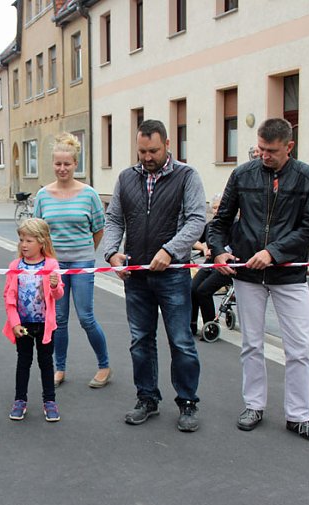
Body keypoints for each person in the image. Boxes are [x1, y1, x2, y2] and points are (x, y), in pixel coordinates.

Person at [208, 118, 309, 444]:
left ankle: (299, 417)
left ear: (289, 146)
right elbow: (219, 221)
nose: (264, 156)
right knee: (251, 344)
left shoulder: (308, 177)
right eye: (260, 148)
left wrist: (273, 252)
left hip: (289, 274)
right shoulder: (242, 174)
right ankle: (254, 406)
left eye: (271, 151)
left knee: (300, 348)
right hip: (247, 273)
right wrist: (218, 253)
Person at [103, 119, 206, 432]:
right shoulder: (125, 178)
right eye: (142, 151)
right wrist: (112, 254)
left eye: (153, 151)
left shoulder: (187, 176)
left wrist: (170, 251)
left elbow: (196, 220)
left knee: (181, 341)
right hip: (136, 276)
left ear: (168, 144)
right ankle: (147, 398)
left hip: (172, 274)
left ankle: (187, 402)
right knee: (140, 341)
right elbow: (114, 220)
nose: (147, 157)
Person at [33, 133, 110, 389]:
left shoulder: (89, 194)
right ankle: (60, 368)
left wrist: (87, 252)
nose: (62, 169)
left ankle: (104, 365)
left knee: (86, 317)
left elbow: (99, 228)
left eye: (67, 164)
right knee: (59, 319)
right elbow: (37, 231)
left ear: (76, 164)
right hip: (55, 268)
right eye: (58, 164)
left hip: (82, 264)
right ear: (52, 164)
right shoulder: (43, 195)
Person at [2, 218, 65, 421]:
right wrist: (14, 323)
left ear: (42, 242)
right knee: (23, 361)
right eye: (21, 240)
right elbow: (8, 297)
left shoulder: (51, 264)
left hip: (45, 325)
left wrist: (55, 285)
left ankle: (50, 401)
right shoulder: (15, 265)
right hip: (23, 325)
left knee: (46, 362)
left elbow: (58, 295)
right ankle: (20, 400)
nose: (24, 244)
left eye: (29, 240)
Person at [190, 194, 232, 339]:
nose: (216, 210)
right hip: (210, 263)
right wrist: (203, 248)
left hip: (228, 266)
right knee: (192, 288)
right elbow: (194, 239)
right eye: (214, 207)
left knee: (203, 290)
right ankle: (192, 324)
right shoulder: (211, 226)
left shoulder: (234, 225)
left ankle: (210, 327)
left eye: (219, 207)